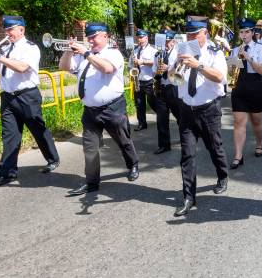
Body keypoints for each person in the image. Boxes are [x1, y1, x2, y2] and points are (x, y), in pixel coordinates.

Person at [59, 22, 139, 195]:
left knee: (122, 140)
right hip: (90, 111)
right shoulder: (83, 56)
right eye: (88, 37)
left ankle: (132, 164)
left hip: (112, 108)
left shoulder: (113, 53)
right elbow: (64, 67)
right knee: (90, 148)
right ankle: (91, 182)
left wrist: (86, 53)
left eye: (94, 36)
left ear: (105, 36)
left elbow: (107, 68)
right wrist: (67, 49)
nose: (90, 40)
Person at [0, 15, 60, 186]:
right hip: (7, 96)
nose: (7, 33)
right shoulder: (3, 49)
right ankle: (7, 173)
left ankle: (52, 158)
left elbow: (21, 67)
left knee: (37, 129)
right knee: (10, 135)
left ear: (21, 29)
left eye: (10, 29)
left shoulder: (30, 48)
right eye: (6, 30)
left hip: (27, 95)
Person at [173, 15, 229, 217]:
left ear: (204, 32)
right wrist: (175, 66)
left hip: (208, 110)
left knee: (215, 147)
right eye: (189, 33)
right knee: (187, 155)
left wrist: (198, 65)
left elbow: (220, 77)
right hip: (187, 110)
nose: (191, 37)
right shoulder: (182, 50)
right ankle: (189, 197)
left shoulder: (215, 52)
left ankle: (222, 175)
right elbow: (173, 79)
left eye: (195, 33)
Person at [228, 18, 262, 169]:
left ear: (252, 33)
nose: (244, 35)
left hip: (256, 87)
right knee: (238, 121)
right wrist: (231, 64)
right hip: (239, 88)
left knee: (256, 121)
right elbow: (231, 73)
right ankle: (238, 155)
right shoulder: (234, 50)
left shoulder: (260, 49)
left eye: (247, 32)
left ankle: (259, 143)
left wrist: (249, 58)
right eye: (241, 32)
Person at [152, 30, 180, 154]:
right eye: (164, 41)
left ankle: (188, 137)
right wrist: (157, 71)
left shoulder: (179, 53)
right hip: (162, 88)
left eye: (168, 41)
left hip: (175, 87)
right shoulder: (158, 54)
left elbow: (180, 72)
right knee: (161, 119)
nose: (166, 44)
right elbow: (153, 71)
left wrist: (168, 68)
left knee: (180, 116)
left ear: (174, 41)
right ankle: (164, 145)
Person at [130, 29, 158, 131]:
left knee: (152, 102)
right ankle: (142, 123)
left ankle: (161, 116)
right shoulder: (135, 50)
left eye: (141, 37)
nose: (139, 39)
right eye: (138, 38)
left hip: (149, 80)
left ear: (146, 37)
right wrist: (132, 67)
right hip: (138, 79)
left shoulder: (152, 50)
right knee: (139, 103)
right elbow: (130, 64)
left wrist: (142, 62)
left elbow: (156, 63)